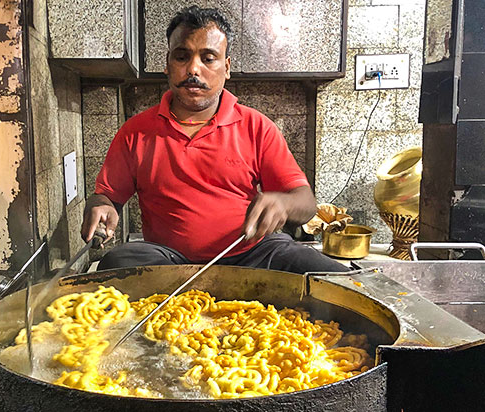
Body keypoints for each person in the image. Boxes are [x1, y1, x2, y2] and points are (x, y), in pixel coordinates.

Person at [81, 6, 348, 274]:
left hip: (252, 254)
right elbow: (106, 197)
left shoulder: (256, 126)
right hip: (170, 261)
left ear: (226, 67)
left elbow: (306, 203)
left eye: (208, 58)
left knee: (330, 275)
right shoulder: (136, 132)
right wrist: (101, 207)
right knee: (117, 263)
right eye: (182, 57)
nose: (193, 69)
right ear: (167, 64)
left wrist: (283, 204)